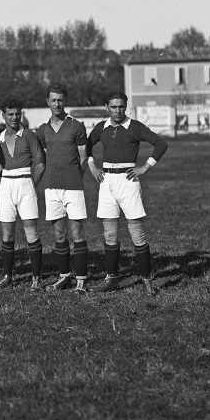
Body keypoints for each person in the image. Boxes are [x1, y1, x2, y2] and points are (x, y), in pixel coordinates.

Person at [86, 90, 168, 295]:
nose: (117, 110)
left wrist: (145, 167)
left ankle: (146, 279)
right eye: (113, 107)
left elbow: (161, 144)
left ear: (126, 106)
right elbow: (85, 145)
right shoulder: (101, 127)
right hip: (106, 181)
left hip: (128, 181)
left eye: (121, 106)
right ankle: (111, 278)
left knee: (137, 233)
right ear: (107, 108)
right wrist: (92, 166)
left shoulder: (134, 126)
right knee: (110, 234)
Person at [35, 84, 89, 293]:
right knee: (59, 235)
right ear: (47, 102)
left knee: (77, 233)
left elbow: (83, 158)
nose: (57, 104)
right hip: (51, 187)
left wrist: (74, 177)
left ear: (65, 101)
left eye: (60, 100)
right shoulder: (42, 130)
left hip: (72, 187)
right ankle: (64, 276)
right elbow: (45, 157)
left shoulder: (76, 126)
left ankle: (82, 279)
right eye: (53, 100)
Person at [0, 94, 45, 290]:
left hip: (25, 184)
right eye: (10, 114)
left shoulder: (29, 135)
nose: (14, 118)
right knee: (7, 236)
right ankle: (8, 276)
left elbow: (40, 164)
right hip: (6, 185)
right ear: (3, 116)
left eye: (17, 114)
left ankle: (36, 278)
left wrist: (31, 184)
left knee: (31, 233)